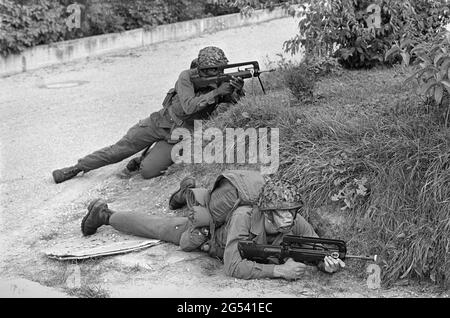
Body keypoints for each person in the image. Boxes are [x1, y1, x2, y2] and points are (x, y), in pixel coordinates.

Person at [80, 170, 345, 280]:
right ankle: (105, 214)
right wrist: (278, 272)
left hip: (219, 226)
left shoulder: (294, 222)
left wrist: (325, 263)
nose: (289, 217)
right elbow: (231, 266)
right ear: (266, 212)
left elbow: (315, 247)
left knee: (188, 208)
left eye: (292, 211)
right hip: (210, 234)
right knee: (161, 227)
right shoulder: (244, 217)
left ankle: (189, 191)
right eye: (282, 212)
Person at [52, 46, 245, 184]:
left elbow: (239, 107)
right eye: (210, 70)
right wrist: (216, 93)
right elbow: (188, 107)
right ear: (201, 69)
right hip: (159, 122)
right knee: (119, 149)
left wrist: (236, 91)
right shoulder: (186, 76)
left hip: (177, 136)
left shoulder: (222, 84)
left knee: (148, 171)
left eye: (219, 69)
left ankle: (142, 158)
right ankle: (78, 167)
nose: (216, 72)